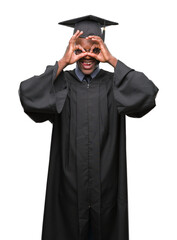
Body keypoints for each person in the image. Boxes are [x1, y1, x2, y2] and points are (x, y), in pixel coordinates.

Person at [18, 15, 159, 240]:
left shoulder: (114, 85)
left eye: (94, 49)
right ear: (72, 49)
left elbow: (148, 93)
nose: (87, 56)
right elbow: (27, 94)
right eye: (80, 49)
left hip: (107, 192)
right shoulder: (62, 83)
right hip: (68, 192)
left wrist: (112, 60)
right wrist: (62, 63)